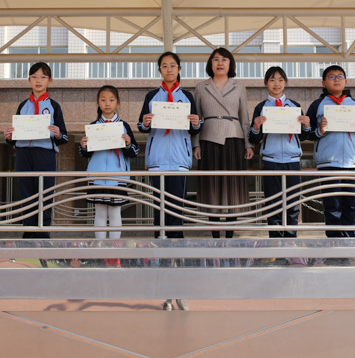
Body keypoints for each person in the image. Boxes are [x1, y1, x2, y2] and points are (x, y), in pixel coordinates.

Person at [138, 52, 201, 239]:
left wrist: (196, 122)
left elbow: (195, 128)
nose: (169, 69)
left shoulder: (187, 96)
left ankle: (177, 248)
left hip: (179, 160)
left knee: (177, 207)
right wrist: (146, 122)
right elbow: (141, 126)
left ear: (179, 69)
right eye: (164, 66)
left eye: (172, 66)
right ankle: (159, 246)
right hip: (157, 161)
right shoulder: (151, 96)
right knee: (159, 207)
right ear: (159, 70)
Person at [305, 65, 355, 238]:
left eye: (340, 76)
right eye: (331, 76)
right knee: (332, 204)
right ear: (323, 82)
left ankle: (350, 241)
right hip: (328, 161)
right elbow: (305, 133)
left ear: (346, 81)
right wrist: (320, 130)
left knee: (351, 203)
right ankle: (334, 241)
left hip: (352, 161)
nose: (336, 79)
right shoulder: (317, 105)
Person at [193, 48, 254, 238]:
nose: (220, 63)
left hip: (234, 138)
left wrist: (248, 144)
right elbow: (196, 118)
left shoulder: (239, 86)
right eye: (216, 59)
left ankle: (229, 235)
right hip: (208, 138)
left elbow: (244, 117)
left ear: (230, 64)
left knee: (232, 186)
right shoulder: (201, 87)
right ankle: (214, 236)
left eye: (224, 59)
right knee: (211, 185)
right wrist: (196, 143)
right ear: (210, 64)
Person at [4, 62, 68, 239]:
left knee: (45, 193)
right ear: (29, 80)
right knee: (26, 193)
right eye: (34, 77)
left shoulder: (54, 106)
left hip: (45, 154)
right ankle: (29, 231)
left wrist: (58, 134)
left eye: (43, 77)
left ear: (50, 80)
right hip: (23, 154)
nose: (38, 81)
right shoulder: (23, 105)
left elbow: (65, 137)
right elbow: (15, 135)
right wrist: (9, 136)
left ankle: (43, 233)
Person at [248, 66, 311, 238]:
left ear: (285, 83)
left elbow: (303, 136)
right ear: (265, 83)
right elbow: (254, 138)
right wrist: (256, 127)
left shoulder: (295, 106)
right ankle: (275, 241)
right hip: (270, 160)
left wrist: (306, 125)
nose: (276, 84)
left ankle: (290, 240)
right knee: (273, 203)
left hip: (292, 160)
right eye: (272, 80)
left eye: (280, 80)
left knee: (292, 202)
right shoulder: (261, 107)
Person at [79, 85, 139, 240]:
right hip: (97, 176)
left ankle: (114, 248)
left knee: (115, 212)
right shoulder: (93, 126)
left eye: (111, 100)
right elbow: (86, 154)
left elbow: (134, 152)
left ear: (117, 103)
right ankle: (100, 247)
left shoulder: (124, 126)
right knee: (99, 212)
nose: (107, 103)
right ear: (98, 103)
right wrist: (83, 146)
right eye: (103, 100)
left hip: (117, 177)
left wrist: (128, 143)